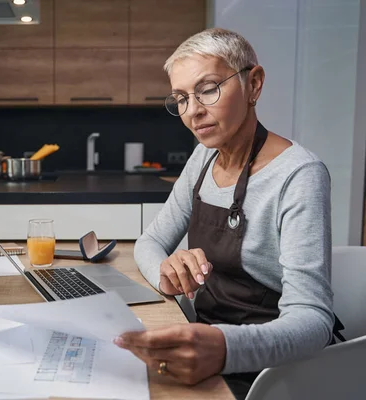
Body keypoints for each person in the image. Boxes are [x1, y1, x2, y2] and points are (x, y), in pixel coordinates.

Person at [113, 28, 335, 399]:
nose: (194, 111)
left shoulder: (299, 174)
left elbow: (313, 321)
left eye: (209, 89)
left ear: (254, 84)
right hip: (203, 336)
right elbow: (150, 241)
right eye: (181, 98)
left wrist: (224, 347)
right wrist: (166, 273)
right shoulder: (204, 157)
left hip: (271, 371)